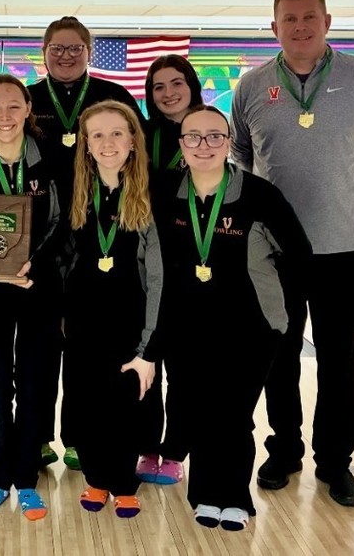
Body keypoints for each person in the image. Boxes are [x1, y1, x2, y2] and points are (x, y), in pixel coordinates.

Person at [229, 0, 354, 507]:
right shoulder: (253, 85)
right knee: (279, 356)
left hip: (345, 251)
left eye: (309, 17)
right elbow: (240, 152)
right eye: (289, 19)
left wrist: (353, 199)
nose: (300, 26)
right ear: (274, 27)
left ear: (327, 21)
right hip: (275, 251)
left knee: (339, 359)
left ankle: (335, 462)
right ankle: (284, 451)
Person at [150, 105, 311, 530]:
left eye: (215, 136)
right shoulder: (163, 190)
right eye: (194, 137)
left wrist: (279, 315)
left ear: (228, 142)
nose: (204, 145)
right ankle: (204, 494)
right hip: (185, 325)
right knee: (202, 410)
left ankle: (234, 494)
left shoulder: (259, 194)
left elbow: (299, 254)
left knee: (235, 411)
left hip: (250, 326)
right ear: (181, 144)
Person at [28, 16, 144, 471]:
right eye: (57, 47)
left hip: (96, 224)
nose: (66, 55)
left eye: (75, 48)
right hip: (39, 230)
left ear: (89, 51)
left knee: (84, 349)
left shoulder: (113, 97)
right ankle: (37, 436)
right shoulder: (31, 98)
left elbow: (137, 158)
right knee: (39, 348)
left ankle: (77, 436)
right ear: (44, 52)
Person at [0, 74, 63, 521]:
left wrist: (34, 266)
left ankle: (27, 478)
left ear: (27, 109)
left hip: (39, 287)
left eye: (13, 106)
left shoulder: (55, 159)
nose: (5, 116)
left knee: (37, 386)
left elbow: (68, 224)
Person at [65, 100, 162, 519]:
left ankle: (123, 481)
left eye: (117, 133)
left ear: (133, 142)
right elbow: (62, 260)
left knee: (127, 401)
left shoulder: (149, 196)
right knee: (87, 401)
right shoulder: (76, 194)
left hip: (131, 321)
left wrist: (150, 347)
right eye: (98, 135)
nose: (107, 142)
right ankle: (96, 477)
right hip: (83, 321)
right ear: (85, 145)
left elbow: (158, 277)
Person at [135, 54, 204, 486]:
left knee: (185, 365)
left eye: (176, 83)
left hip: (194, 262)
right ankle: (145, 446)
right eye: (158, 86)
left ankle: (175, 450)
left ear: (191, 85)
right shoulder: (143, 134)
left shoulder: (205, 131)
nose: (168, 93)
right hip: (146, 260)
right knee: (146, 357)